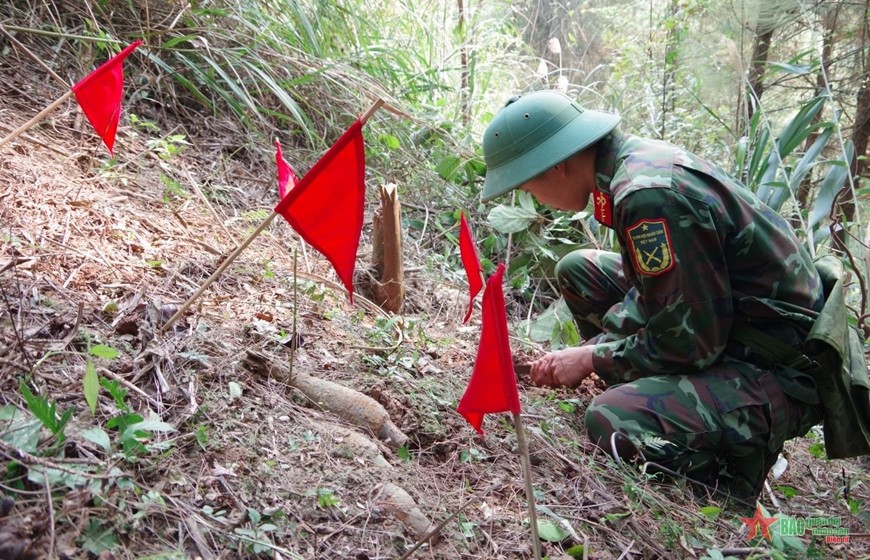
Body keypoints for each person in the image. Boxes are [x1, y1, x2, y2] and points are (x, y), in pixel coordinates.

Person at [480, 90, 829, 499]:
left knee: (612, 420)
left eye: (528, 186)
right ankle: (661, 390)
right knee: (580, 269)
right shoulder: (629, 165)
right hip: (732, 321)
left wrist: (594, 357)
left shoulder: (647, 194)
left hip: (775, 367)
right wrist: (598, 348)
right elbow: (657, 294)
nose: (534, 199)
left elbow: (691, 342)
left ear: (558, 166)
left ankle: (729, 474)